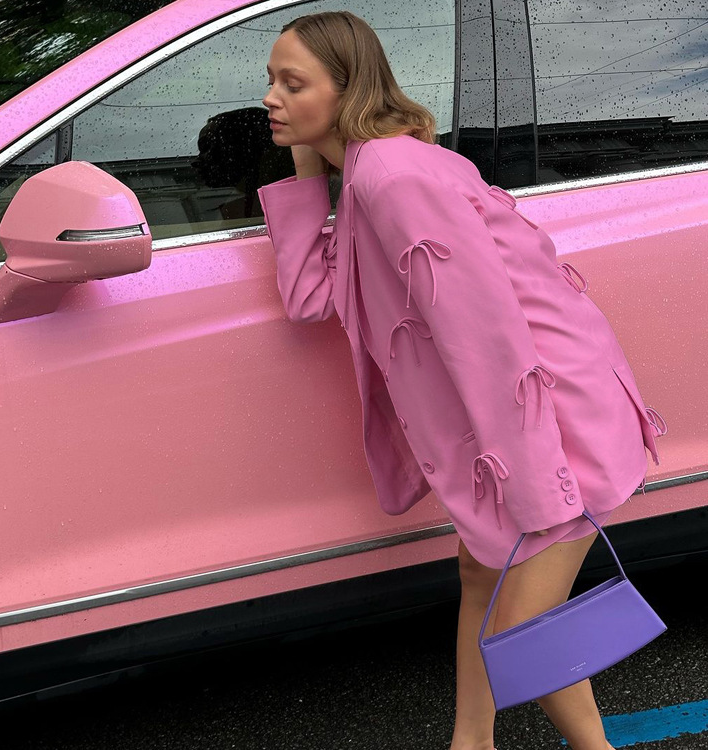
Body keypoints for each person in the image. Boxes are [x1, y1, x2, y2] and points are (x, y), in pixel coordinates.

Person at [257, 11, 666, 750]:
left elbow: (489, 341)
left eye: (293, 83)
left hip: (550, 423)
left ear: (347, 89)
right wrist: (309, 169)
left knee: (525, 629)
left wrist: (539, 488)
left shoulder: (394, 177)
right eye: (272, 82)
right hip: (509, 426)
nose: (271, 98)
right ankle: (469, 742)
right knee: (482, 579)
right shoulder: (368, 173)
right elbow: (313, 296)